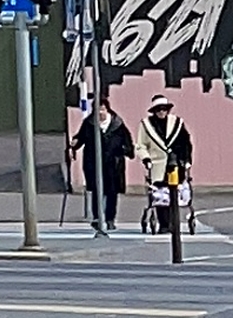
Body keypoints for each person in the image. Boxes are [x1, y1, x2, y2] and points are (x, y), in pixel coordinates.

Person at [73, 95, 133, 238]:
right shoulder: (89, 124)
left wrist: (126, 151)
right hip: (93, 163)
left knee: (112, 192)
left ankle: (110, 218)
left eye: (102, 109)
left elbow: (127, 141)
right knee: (96, 190)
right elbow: (80, 138)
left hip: (113, 164)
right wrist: (74, 145)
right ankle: (97, 217)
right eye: (97, 110)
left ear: (107, 110)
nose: (100, 113)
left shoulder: (117, 124)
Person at [139, 87, 194, 238]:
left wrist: (187, 160)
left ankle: (173, 223)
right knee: (160, 196)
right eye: (158, 110)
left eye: (164, 109)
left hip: (176, 164)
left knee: (174, 195)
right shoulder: (146, 125)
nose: (162, 112)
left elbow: (186, 143)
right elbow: (141, 145)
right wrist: (146, 158)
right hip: (157, 165)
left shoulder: (177, 123)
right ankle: (163, 224)